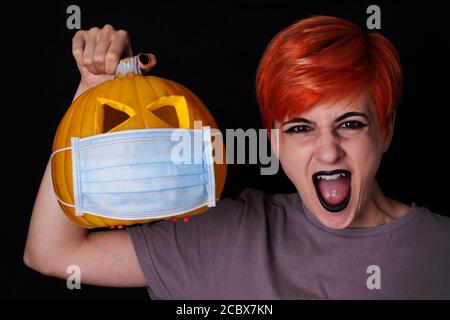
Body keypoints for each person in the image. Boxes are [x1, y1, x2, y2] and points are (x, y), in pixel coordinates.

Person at [24, 16, 450, 299]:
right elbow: (51, 253)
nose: (327, 149)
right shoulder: (228, 236)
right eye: (300, 128)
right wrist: (92, 97)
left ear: (386, 130)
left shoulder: (441, 249)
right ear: (273, 140)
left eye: (351, 123)